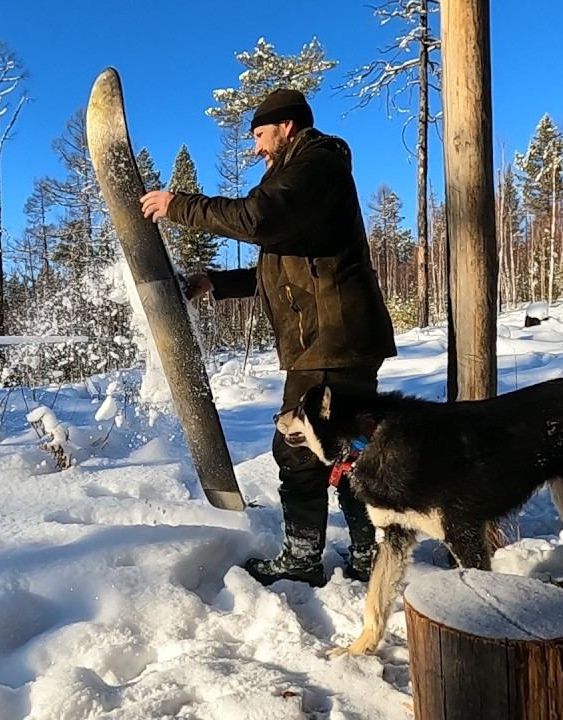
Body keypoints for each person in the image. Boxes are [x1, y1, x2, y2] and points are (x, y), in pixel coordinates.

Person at [139, 88, 397, 587]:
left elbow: (257, 218)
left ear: (287, 126)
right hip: (334, 338)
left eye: (260, 134)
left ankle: (303, 559)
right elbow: (282, 269)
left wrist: (178, 206)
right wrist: (217, 282)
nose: (255, 146)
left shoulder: (315, 165)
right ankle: (368, 555)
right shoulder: (305, 175)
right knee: (348, 446)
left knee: (299, 446)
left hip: (330, 339)